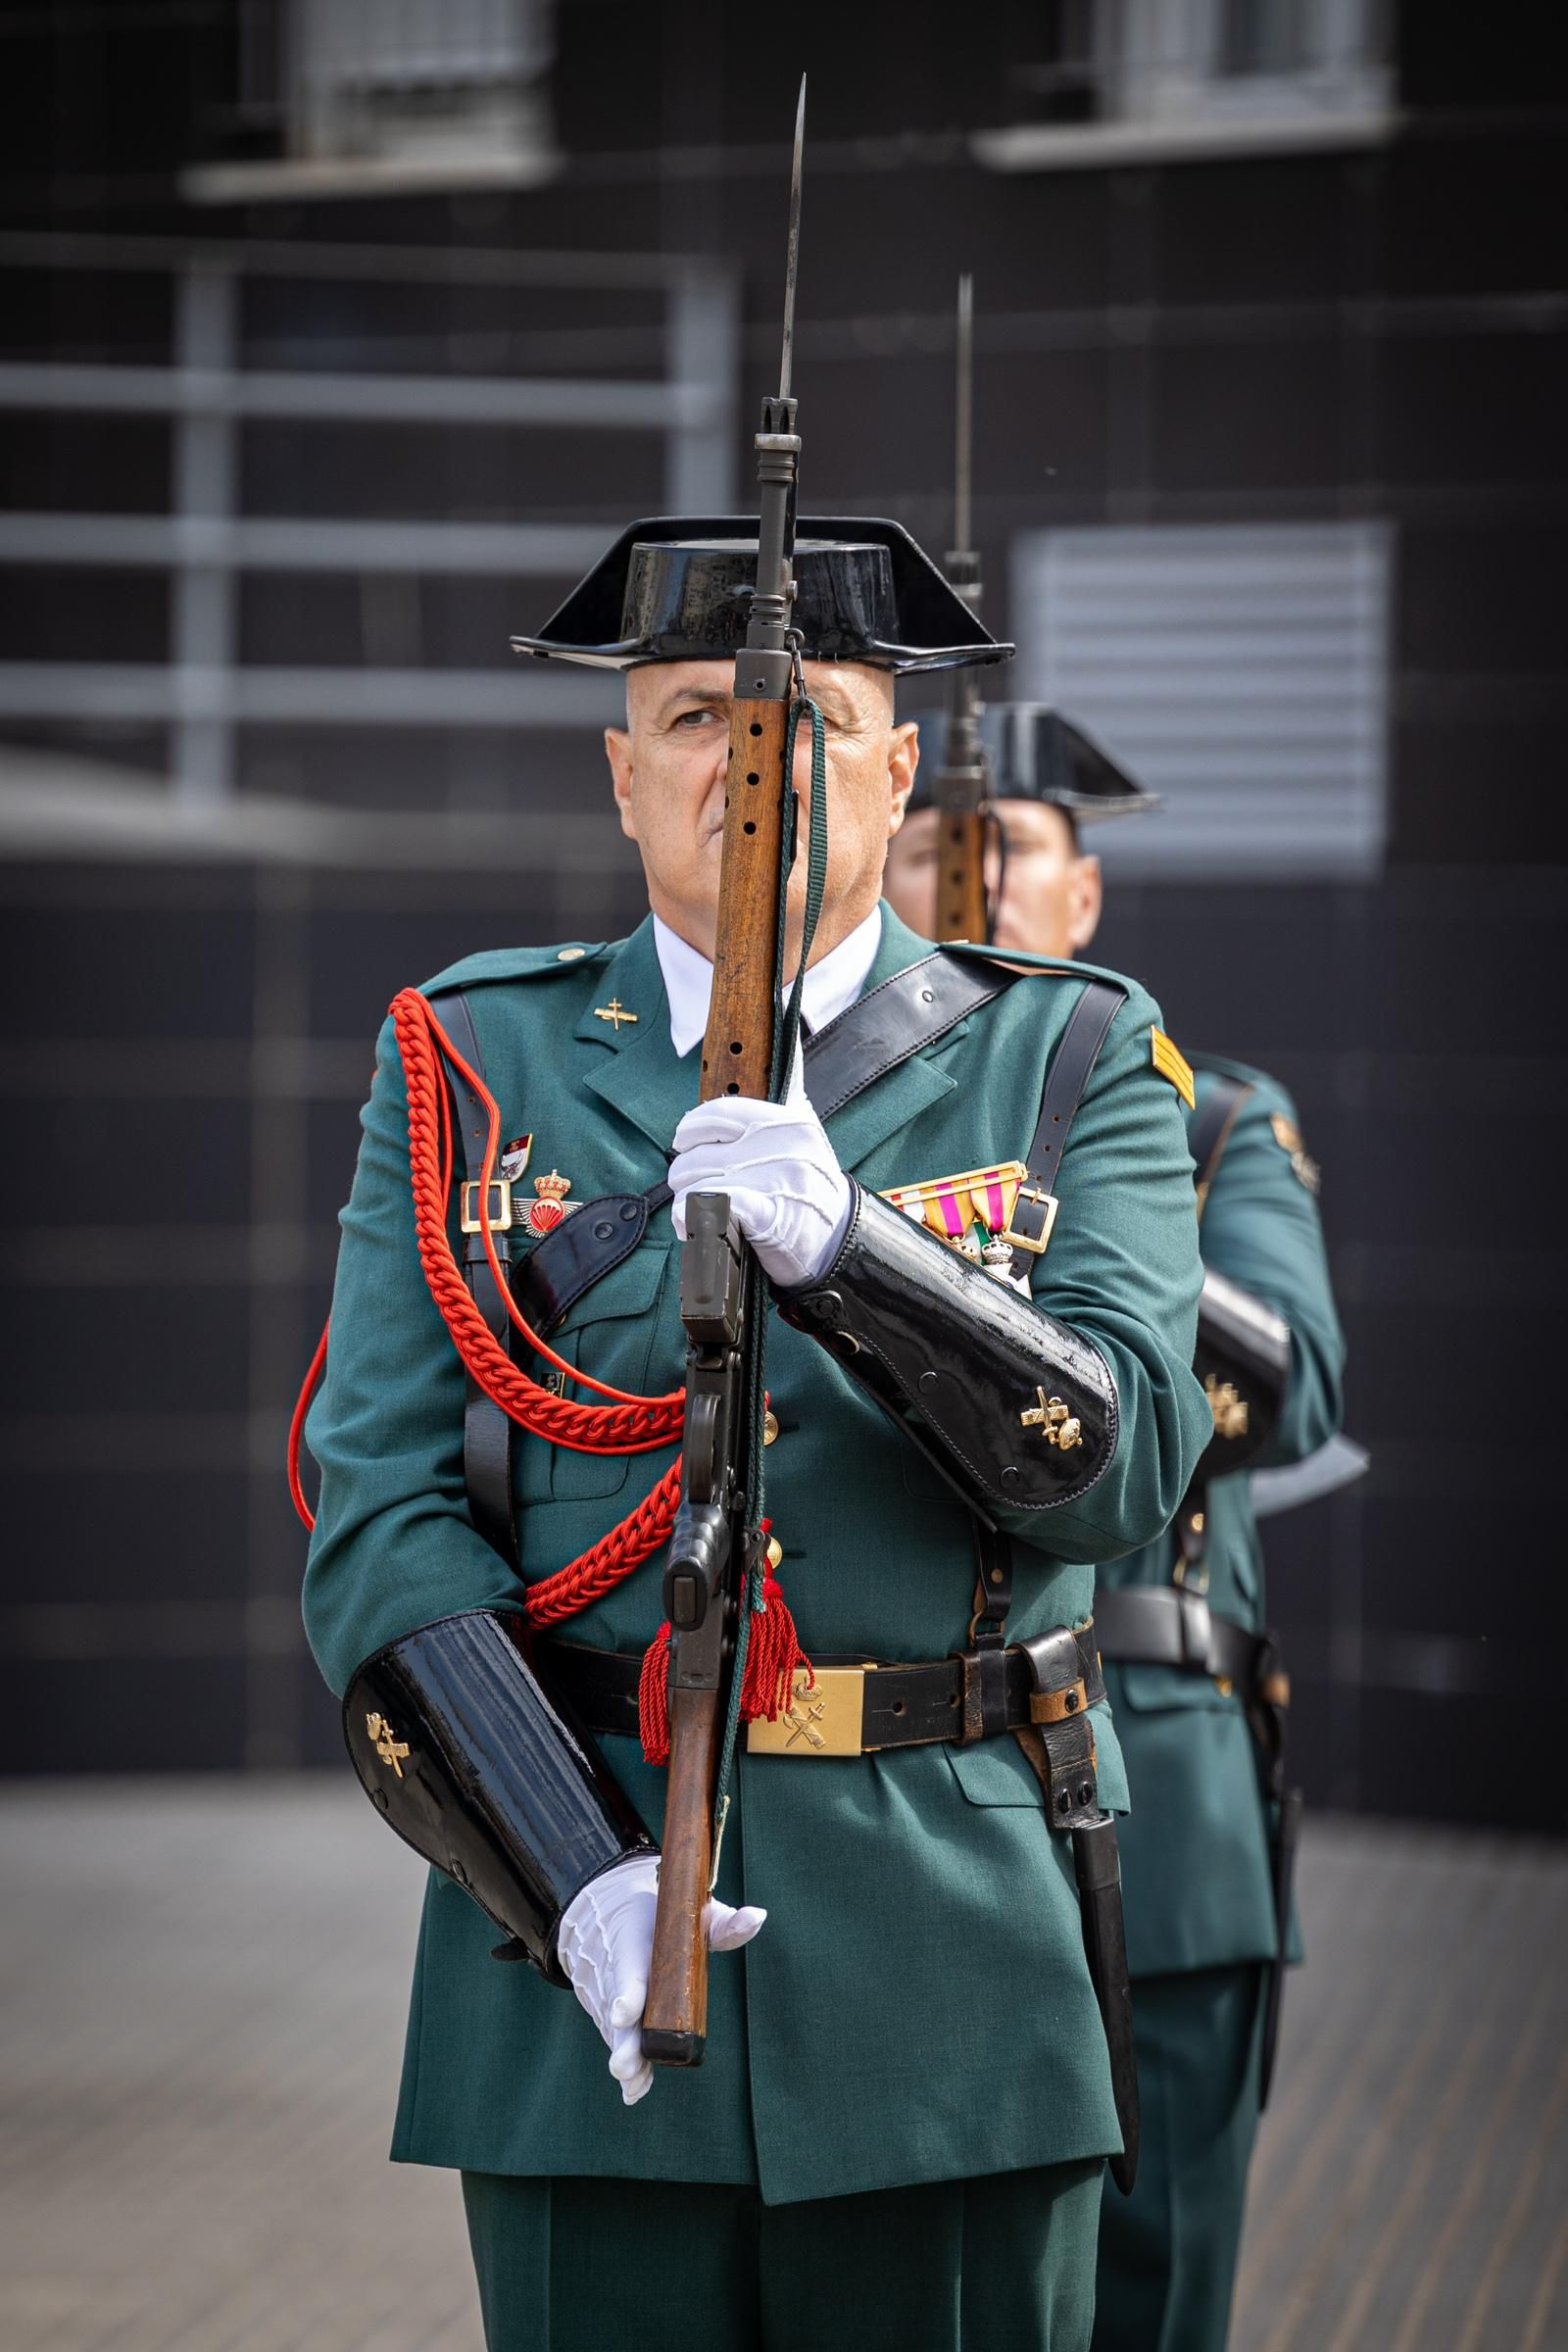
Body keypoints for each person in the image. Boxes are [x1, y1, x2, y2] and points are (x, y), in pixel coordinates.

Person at [301, 525, 1212, 2352]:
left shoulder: (1069, 1056)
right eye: (697, 717)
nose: (754, 757)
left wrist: (858, 1254)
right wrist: (568, 1873)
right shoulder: (472, 1063)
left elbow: (1119, 1468)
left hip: (950, 1966)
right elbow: (380, 1511)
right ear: (622, 770)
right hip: (581, 1960)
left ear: (900, 766)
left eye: (813, 718)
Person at [886, 704, 1347, 2352]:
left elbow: (1290, 1390)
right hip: (924, 1793)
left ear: (1082, 896)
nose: (970, 883)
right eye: (933, 853)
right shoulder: (835, 1120)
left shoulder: (1204, 1120)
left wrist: (1092, 1190)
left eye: (1006, 851)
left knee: (1149, 2300)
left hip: (1161, 1780)